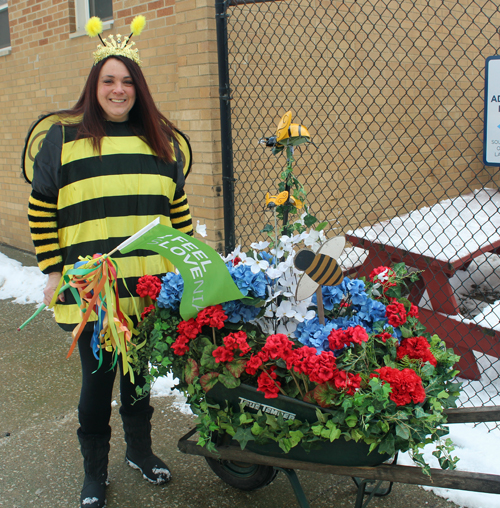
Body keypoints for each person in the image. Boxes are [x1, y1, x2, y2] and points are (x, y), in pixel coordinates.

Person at [27, 16, 193, 508]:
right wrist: (54, 271)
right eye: (109, 81)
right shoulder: (61, 139)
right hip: (95, 297)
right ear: (93, 86)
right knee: (98, 386)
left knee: (139, 379)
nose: (118, 90)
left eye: (127, 82)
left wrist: (188, 272)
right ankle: (94, 473)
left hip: (146, 290)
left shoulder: (163, 143)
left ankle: (139, 453)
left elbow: (178, 216)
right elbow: (41, 207)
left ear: (138, 89)